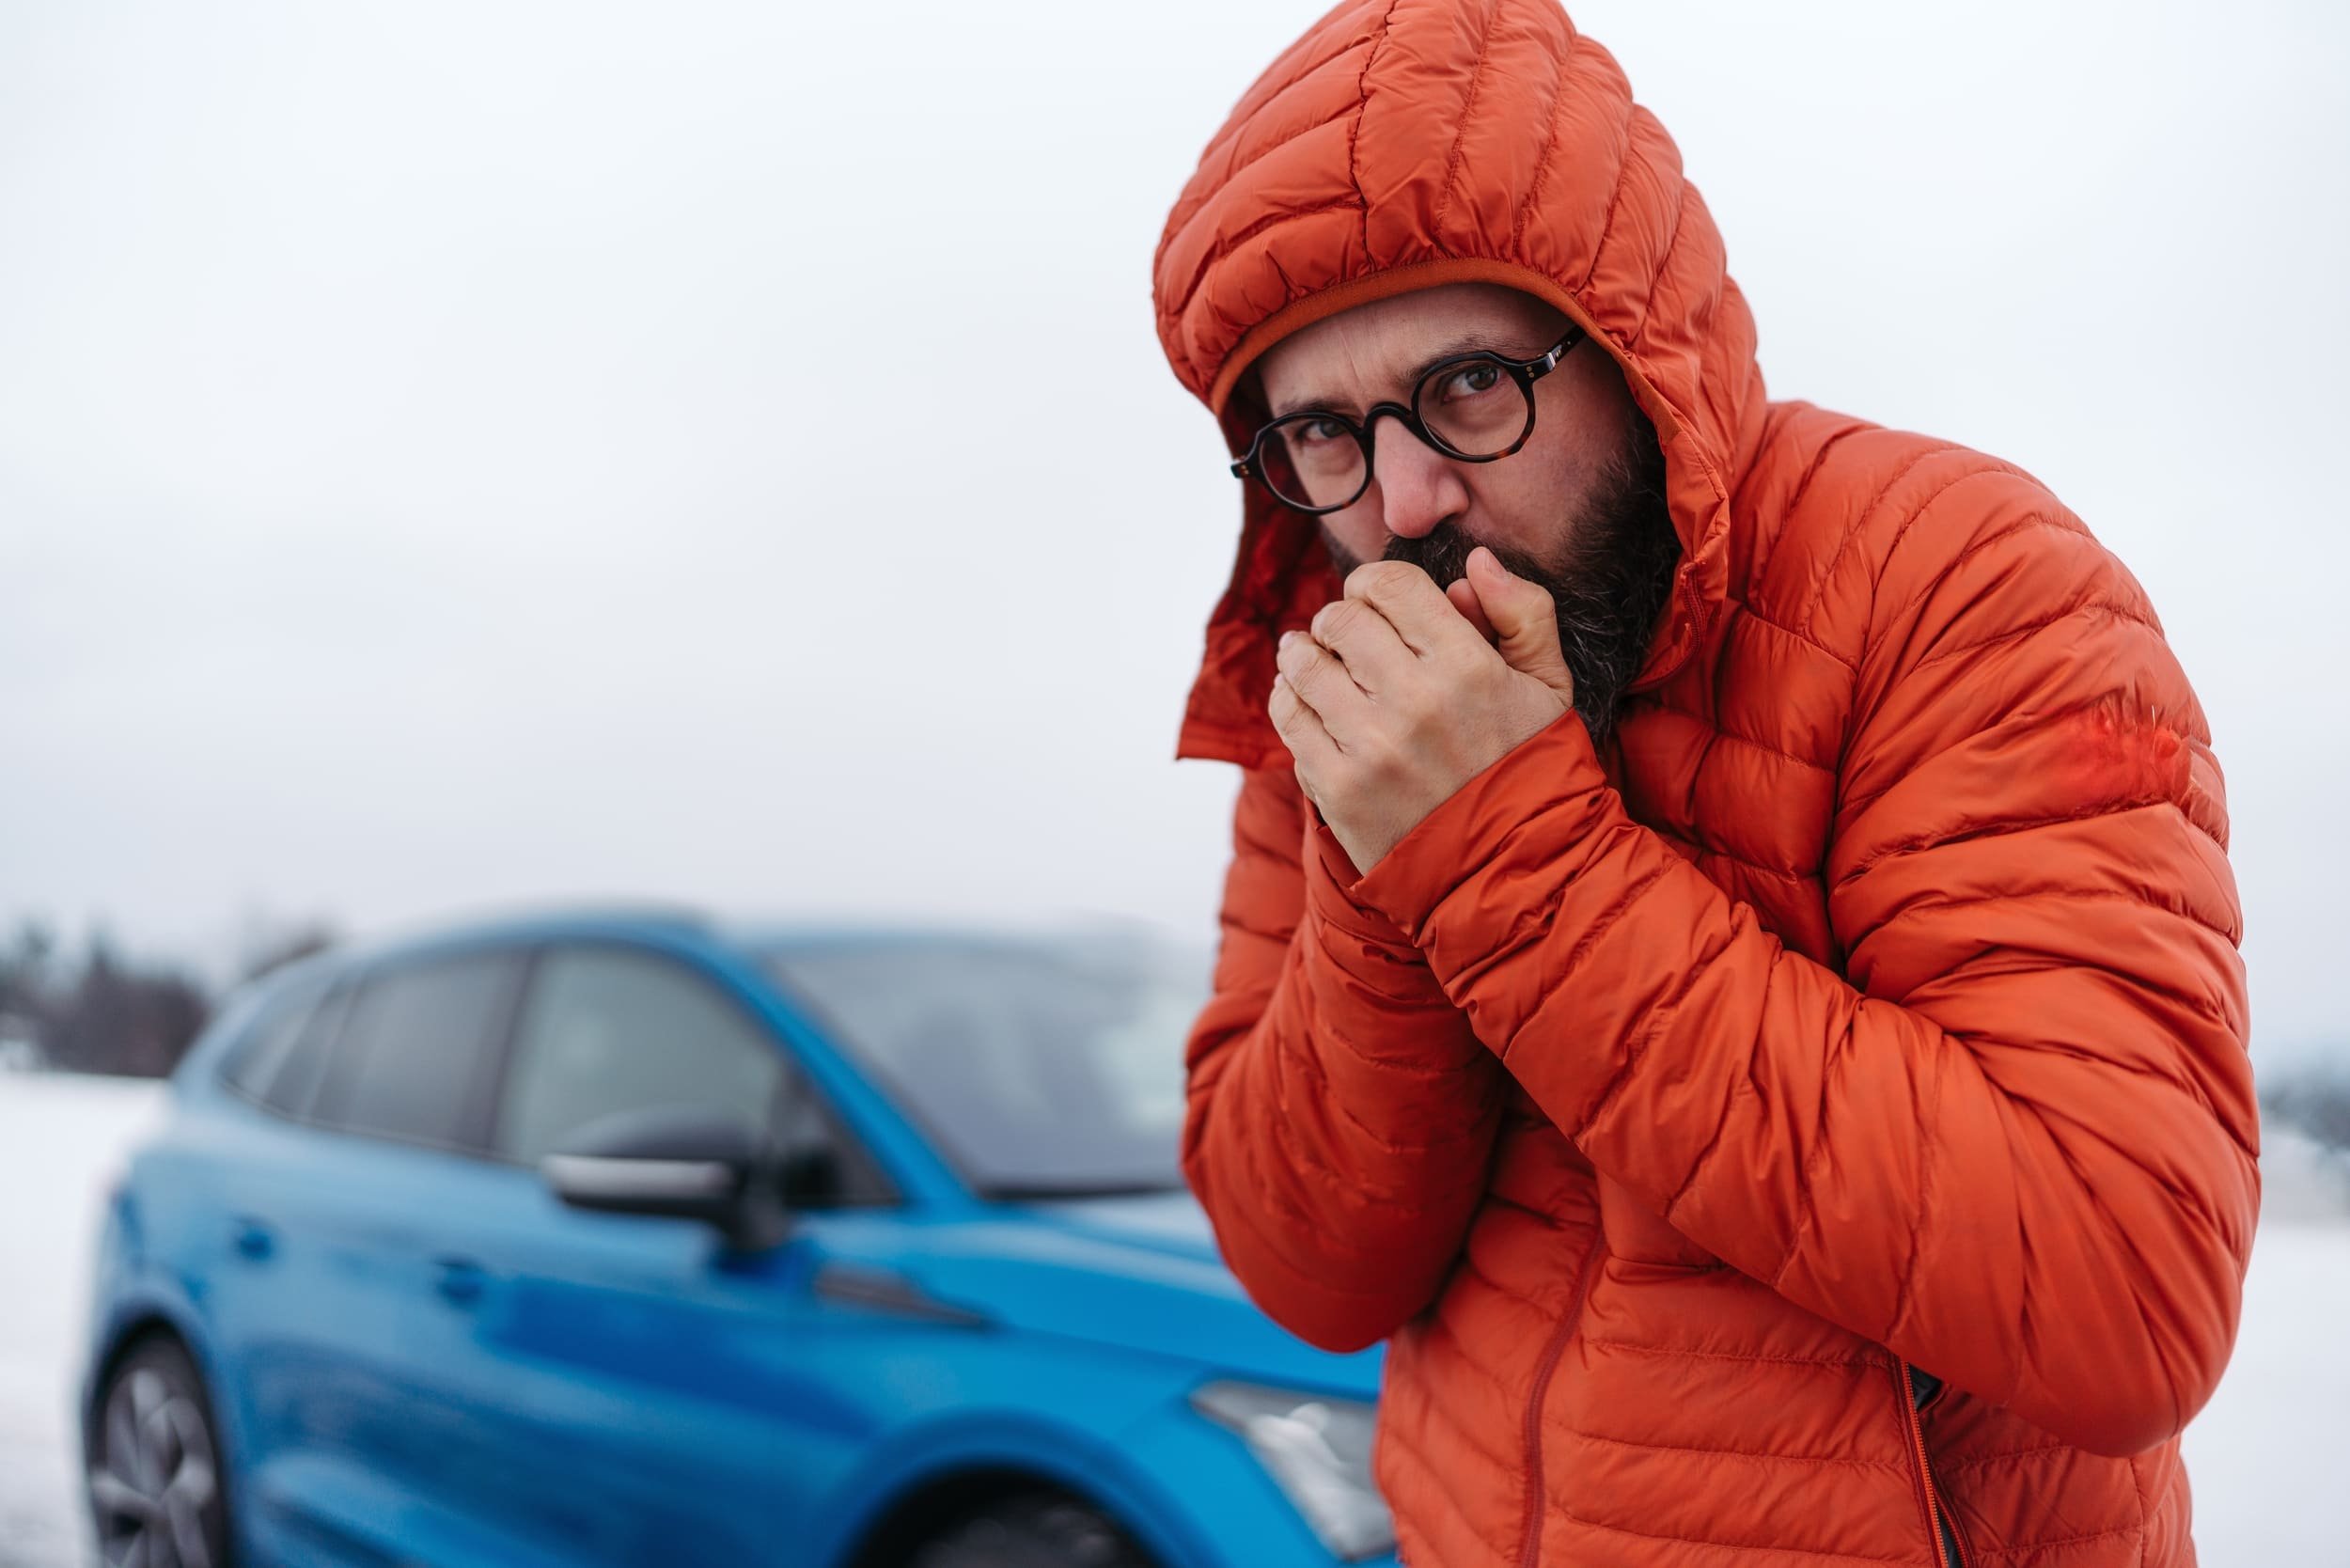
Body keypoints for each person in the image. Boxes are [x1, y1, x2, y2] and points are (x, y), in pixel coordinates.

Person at [1150, 4, 2257, 1565]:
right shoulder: (1340, 691)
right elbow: (1312, 1272)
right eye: (1321, 433)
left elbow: (2123, 1299)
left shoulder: (1958, 580)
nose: (1404, 499)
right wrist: (1389, 854)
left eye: (1470, 384)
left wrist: (1498, 849)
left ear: (1630, 346)